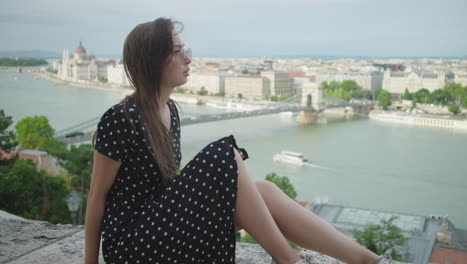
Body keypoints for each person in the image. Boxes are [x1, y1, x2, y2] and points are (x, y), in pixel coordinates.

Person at [85, 17, 393, 264]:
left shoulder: (171, 112)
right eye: (178, 51)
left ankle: (367, 260)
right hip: (132, 244)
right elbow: (97, 197)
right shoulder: (120, 118)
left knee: (264, 191)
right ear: (154, 60)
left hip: (163, 226)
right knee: (226, 155)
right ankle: (289, 260)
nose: (189, 58)